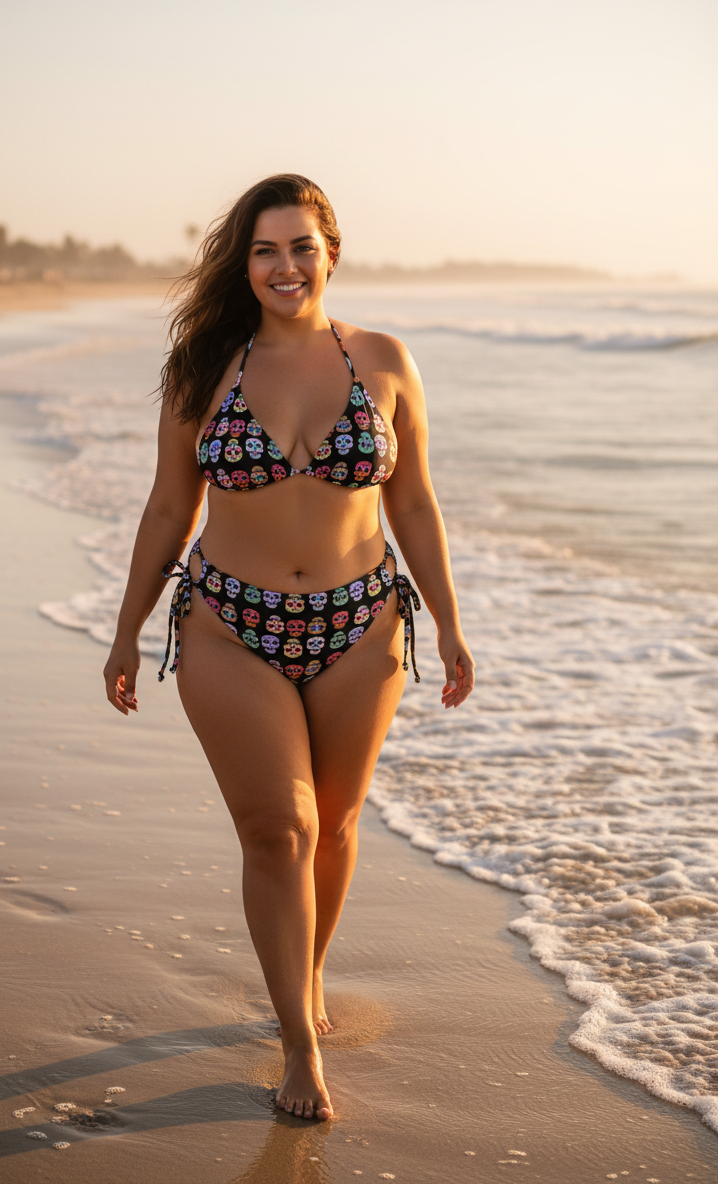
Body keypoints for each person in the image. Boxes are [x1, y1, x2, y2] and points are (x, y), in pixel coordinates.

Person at [104, 174, 475, 1121]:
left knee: (338, 825)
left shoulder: (384, 360)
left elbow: (416, 504)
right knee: (281, 829)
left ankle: (301, 975)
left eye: (301, 246)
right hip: (231, 622)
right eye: (265, 249)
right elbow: (167, 507)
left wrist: (449, 621)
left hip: (363, 624)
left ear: (331, 252)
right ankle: (300, 1046)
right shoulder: (204, 368)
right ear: (245, 262)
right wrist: (125, 628)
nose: (284, 266)